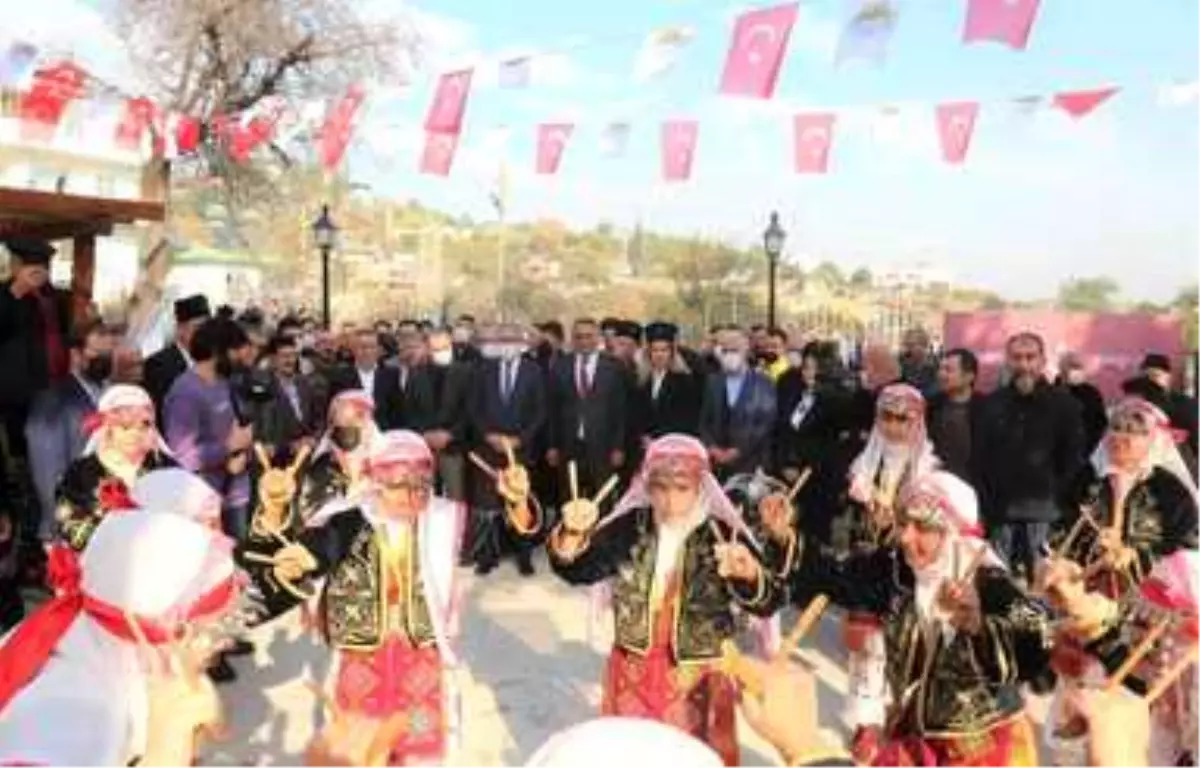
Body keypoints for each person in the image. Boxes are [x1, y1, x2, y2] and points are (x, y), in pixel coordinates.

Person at [242, 430, 537, 765]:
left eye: (421, 482)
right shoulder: (346, 521)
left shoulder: (446, 519)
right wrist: (277, 512)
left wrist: (517, 502)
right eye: (398, 483)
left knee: (418, 743)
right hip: (363, 664)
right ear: (373, 479)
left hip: (420, 663)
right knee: (358, 750)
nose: (411, 494)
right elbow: (305, 552)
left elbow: (504, 537)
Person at [763, 470, 1069, 765]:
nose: (906, 537)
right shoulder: (897, 570)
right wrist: (784, 536)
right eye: (904, 523)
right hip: (916, 735)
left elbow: (1037, 640)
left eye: (922, 527)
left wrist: (978, 626)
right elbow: (836, 576)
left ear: (951, 532)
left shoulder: (988, 580)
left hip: (983, 747)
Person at [545, 433, 784, 767]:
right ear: (646, 484)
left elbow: (770, 601)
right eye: (660, 487)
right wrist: (571, 533)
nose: (670, 500)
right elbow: (580, 569)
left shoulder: (722, 531)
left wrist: (748, 576)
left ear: (701, 485)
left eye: (682, 488)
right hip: (633, 668)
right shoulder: (632, 525)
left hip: (698, 675)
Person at [0, 508, 240, 765]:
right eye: (201, 630)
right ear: (145, 627)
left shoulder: (78, 637)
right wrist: (163, 749)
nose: (216, 645)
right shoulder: (76, 703)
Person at [53, 385, 176, 552]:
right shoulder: (79, 474)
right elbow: (68, 520)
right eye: (125, 426)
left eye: (144, 426)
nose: (135, 433)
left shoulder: (167, 467)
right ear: (107, 428)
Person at [25, 319, 116, 542]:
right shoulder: (52, 402)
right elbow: (48, 478)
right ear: (76, 355)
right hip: (73, 529)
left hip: (110, 522)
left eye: (108, 354)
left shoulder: (113, 393)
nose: (104, 361)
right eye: (97, 354)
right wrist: (74, 529)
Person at [298, 390, 380, 520]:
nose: (364, 440)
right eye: (348, 432)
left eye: (367, 427)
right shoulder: (323, 471)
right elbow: (308, 517)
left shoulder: (385, 467)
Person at [142, 293, 211, 422]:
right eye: (198, 328)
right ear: (180, 329)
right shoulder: (158, 365)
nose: (204, 334)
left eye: (208, 328)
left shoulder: (210, 362)